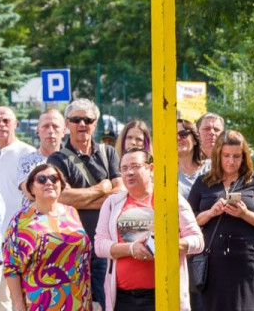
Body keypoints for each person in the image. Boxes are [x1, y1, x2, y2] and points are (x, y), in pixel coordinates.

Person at [95, 148, 203, 311]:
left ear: (151, 169)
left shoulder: (171, 198)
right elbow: (100, 245)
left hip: (162, 296)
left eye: (135, 166)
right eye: (124, 168)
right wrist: (132, 249)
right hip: (123, 298)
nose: (129, 172)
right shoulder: (112, 203)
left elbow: (197, 240)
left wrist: (168, 246)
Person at [189, 130, 254, 311]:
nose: (231, 161)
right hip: (213, 262)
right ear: (218, 155)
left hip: (246, 260)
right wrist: (211, 213)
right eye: (226, 156)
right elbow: (189, 221)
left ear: (244, 157)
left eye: (237, 156)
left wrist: (245, 214)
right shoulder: (203, 182)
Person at [47, 98, 123, 309]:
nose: (82, 124)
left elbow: (121, 192)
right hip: (71, 245)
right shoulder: (57, 159)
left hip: (106, 245)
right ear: (67, 123)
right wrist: (102, 188)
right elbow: (62, 197)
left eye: (88, 120)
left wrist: (80, 200)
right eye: (76, 119)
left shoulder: (108, 153)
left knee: (109, 304)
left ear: (95, 123)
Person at [2, 162, 91, 311]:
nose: (49, 182)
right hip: (41, 303)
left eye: (54, 178)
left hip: (78, 301)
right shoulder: (21, 220)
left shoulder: (72, 213)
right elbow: (11, 267)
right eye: (41, 179)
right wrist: (18, 306)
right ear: (31, 188)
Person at [0, 107, 37, 241]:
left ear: (15, 124)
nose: (1, 125)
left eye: (6, 121)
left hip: (19, 229)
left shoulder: (29, 153)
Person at [176, 120, 206, 199]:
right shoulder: (166, 174)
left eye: (183, 134)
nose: (178, 138)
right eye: (172, 135)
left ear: (195, 140)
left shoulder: (211, 168)